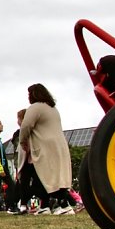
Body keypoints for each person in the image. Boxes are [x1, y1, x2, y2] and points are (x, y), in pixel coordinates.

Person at [16, 83, 77, 216]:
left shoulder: (35, 107)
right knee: (51, 176)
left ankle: (64, 205)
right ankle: (45, 206)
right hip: (59, 144)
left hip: (45, 146)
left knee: (47, 176)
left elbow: (26, 126)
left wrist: (23, 142)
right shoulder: (52, 108)